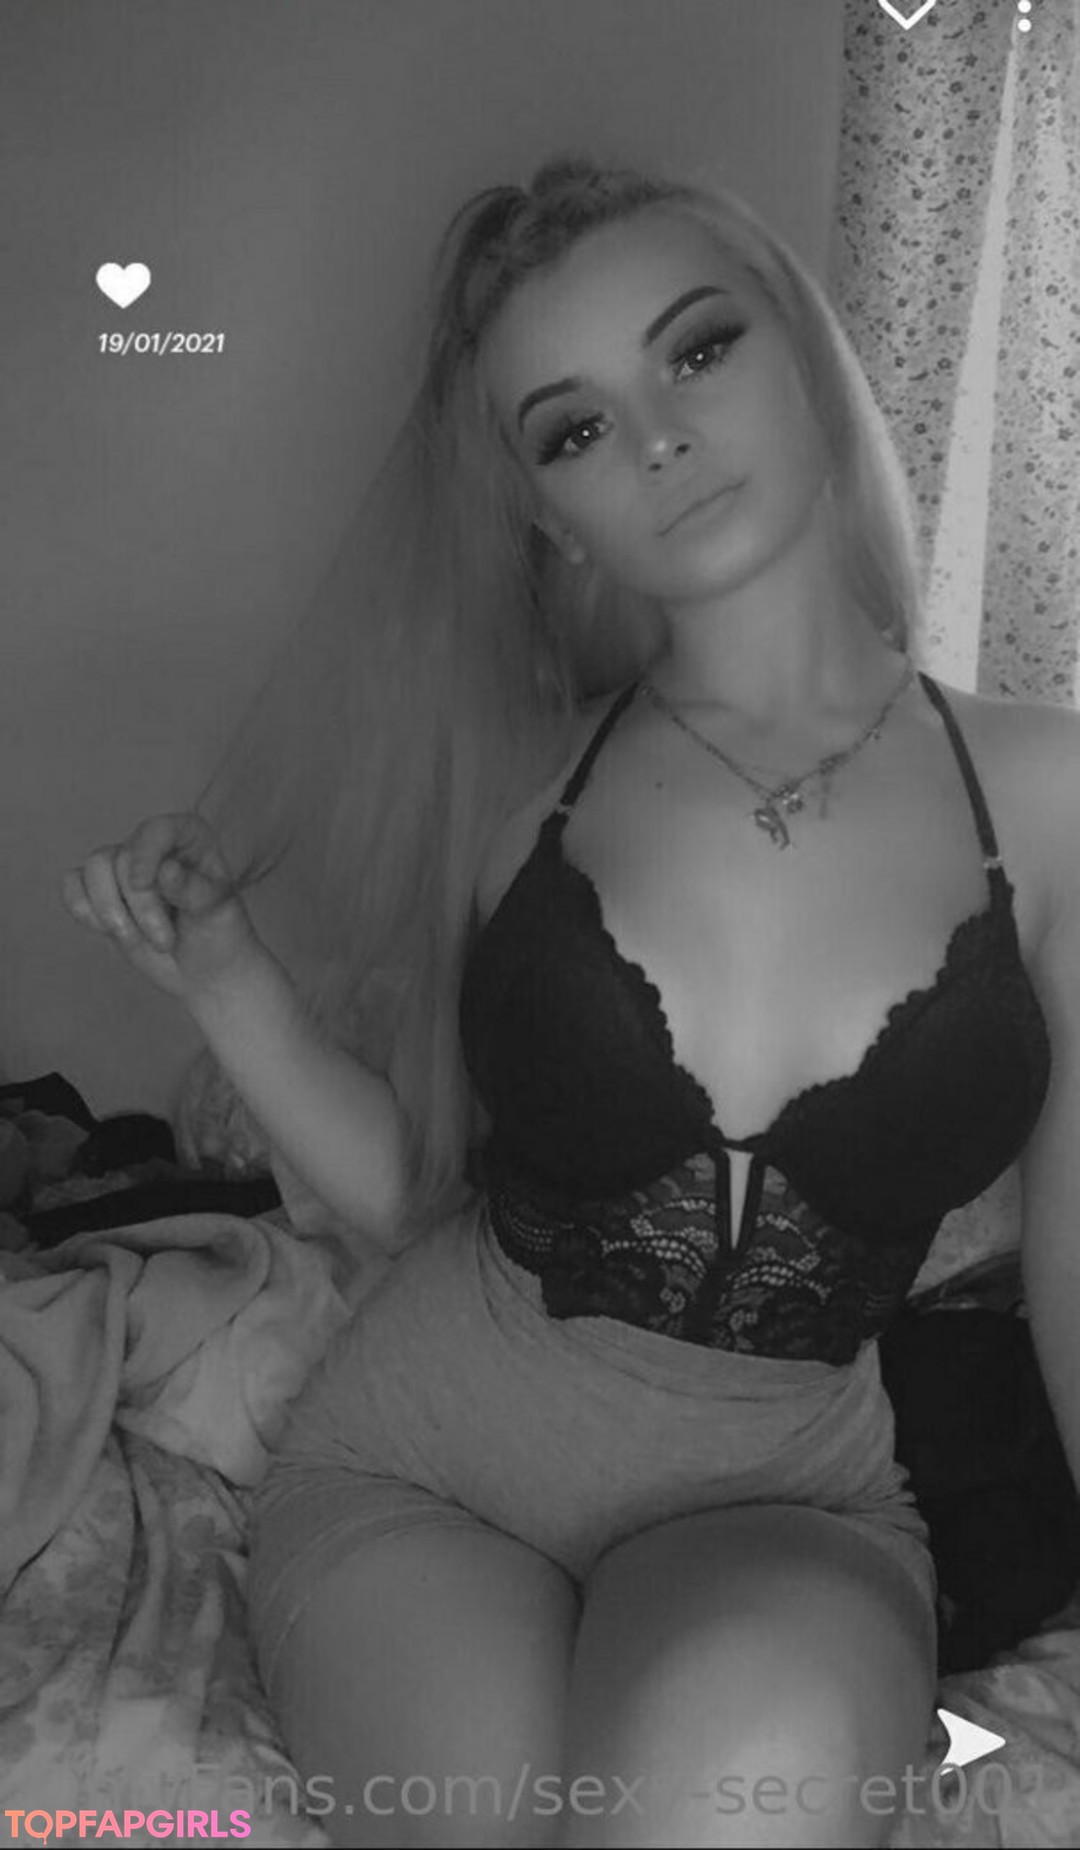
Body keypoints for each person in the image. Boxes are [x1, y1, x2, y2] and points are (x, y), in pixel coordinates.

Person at [61, 154, 1080, 1849]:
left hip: (791, 1501)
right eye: (577, 427)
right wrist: (226, 975)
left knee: (724, 1792)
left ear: (806, 350)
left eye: (699, 348)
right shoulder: (524, 794)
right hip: (420, 1470)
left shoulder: (1048, 797)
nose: (659, 437)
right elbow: (414, 1194)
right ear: (545, 509)